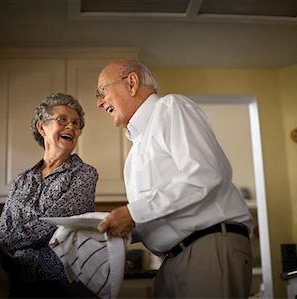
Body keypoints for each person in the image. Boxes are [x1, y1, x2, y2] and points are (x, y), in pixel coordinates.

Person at [95, 60, 253, 298]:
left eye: (102, 91)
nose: (99, 102)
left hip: (207, 249)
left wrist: (132, 214)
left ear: (131, 82)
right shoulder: (135, 151)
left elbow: (204, 175)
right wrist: (119, 228)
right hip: (173, 261)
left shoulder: (170, 108)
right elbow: (156, 213)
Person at [0, 93, 99, 298]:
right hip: (17, 283)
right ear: (42, 127)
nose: (71, 127)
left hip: (62, 283)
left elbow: (53, 224)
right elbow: (5, 228)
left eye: (76, 124)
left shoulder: (85, 174)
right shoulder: (21, 181)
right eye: (62, 120)